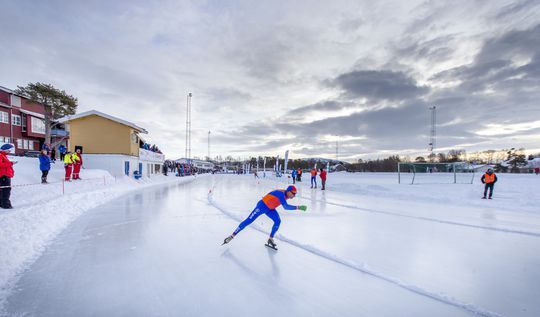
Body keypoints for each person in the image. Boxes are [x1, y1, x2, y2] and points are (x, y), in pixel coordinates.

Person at [222, 185, 307, 249]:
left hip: (270, 209)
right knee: (248, 220)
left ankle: (270, 239)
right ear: (288, 191)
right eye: (293, 193)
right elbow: (285, 207)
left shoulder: (287, 195)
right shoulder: (281, 194)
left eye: (295, 194)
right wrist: (298, 207)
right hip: (262, 206)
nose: (294, 195)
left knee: (278, 221)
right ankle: (232, 235)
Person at [0, 144, 16, 209]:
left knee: (3, 190)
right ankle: (6, 205)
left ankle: (2, 203)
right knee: (6, 190)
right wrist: (11, 163)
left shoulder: (4, 155)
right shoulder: (1, 155)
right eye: (9, 150)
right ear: (5, 150)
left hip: (5, 175)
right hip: (3, 175)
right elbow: (1, 165)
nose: (9, 152)